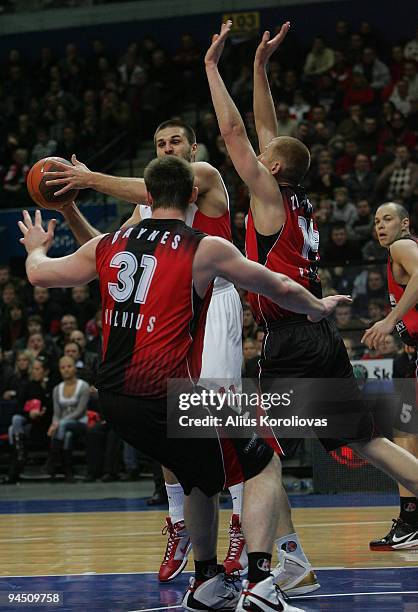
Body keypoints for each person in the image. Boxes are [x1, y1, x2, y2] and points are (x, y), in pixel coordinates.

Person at [19, 156, 351, 612]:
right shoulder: (204, 247)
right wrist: (317, 306)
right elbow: (279, 286)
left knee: (198, 476)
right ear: (193, 196)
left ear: (147, 198)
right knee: (264, 463)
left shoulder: (111, 244)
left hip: (115, 401)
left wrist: (37, 245)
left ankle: (207, 581)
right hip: (166, 396)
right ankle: (258, 583)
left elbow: (40, 273)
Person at [205, 20, 418, 609]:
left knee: (261, 453)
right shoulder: (292, 194)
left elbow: (232, 132)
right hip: (320, 333)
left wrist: (213, 69)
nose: (259, 147)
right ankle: (293, 564)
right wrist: (259, 70)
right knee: (369, 439)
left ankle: (271, 573)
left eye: (262, 154)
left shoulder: (269, 197)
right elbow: (267, 129)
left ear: (270, 169)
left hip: (291, 339)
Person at [44, 124, 246, 579]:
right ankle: (179, 523)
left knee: (215, 420)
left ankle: (240, 522)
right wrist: (72, 208)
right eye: (159, 144)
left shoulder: (207, 178)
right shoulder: (145, 208)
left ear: (192, 149)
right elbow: (108, 253)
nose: (168, 149)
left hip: (215, 304)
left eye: (175, 142)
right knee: (166, 416)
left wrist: (90, 178)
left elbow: (162, 185)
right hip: (169, 311)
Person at [362, 202, 418, 549]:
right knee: (407, 438)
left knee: (405, 439)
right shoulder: (395, 255)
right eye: (376, 221)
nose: (380, 226)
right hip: (411, 357)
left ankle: (410, 521)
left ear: (405, 223)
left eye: (387, 219)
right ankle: (411, 521)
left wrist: (387, 320)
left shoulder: (403, 245)